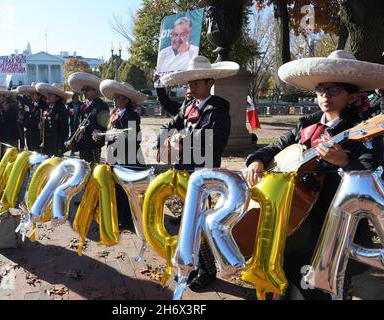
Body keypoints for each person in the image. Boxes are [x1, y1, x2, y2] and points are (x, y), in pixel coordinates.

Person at [245, 50, 384, 300]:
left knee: (327, 287)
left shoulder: (364, 129)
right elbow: (275, 147)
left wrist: (346, 162)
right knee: (288, 276)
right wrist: (256, 160)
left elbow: (370, 172)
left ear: (352, 96)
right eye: (321, 89)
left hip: (332, 226)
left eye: (334, 90)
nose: (325, 96)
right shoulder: (306, 124)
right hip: (294, 217)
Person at [157, 55, 239, 290]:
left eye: (196, 82)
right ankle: (192, 264)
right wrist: (165, 138)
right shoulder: (188, 106)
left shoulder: (218, 109)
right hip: (184, 172)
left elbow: (214, 142)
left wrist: (183, 141)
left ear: (209, 82)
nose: (191, 87)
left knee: (200, 223)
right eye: (189, 83)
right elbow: (170, 125)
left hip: (204, 175)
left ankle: (208, 270)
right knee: (186, 222)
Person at [100, 79, 148, 229]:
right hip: (115, 156)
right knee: (118, 188)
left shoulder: (132, 116)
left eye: (118, 98)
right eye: (114, 98)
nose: (114, 101)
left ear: (126, 100)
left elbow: (134, 139)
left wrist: (114, 135)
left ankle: (129, 221)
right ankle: (121, 217)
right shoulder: (115, 114)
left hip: (128, 157)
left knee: (128, 189)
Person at [68, 72, 109, 163]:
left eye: (87, 89)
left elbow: (103, 126)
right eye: (83, 89)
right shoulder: (82, 106)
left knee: (93, 168)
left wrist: (87, 128)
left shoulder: (101, 105)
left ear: (95, 91)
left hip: (93, 144)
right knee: (83, 167)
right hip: (82, 142)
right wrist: (72, 139)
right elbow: (77, 124)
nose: (84, 92)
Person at [35, 83, 70, 156]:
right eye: (48, 95)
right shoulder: (48, 106)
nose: (48, 97)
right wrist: (41, 125)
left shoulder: (61, 108)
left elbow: (64, 128)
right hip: (48, 141)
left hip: (56, 141)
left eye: (51, 95)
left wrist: (61, 145)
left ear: (57, 98)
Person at [17, 83, 46, 152]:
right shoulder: (32, 105)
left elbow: (39, 121)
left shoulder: (44, 106)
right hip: (30, 135)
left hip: (37, 137)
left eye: (33, 94)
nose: (31, 96)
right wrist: (22, 118)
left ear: (39, 95)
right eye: (31, 94)